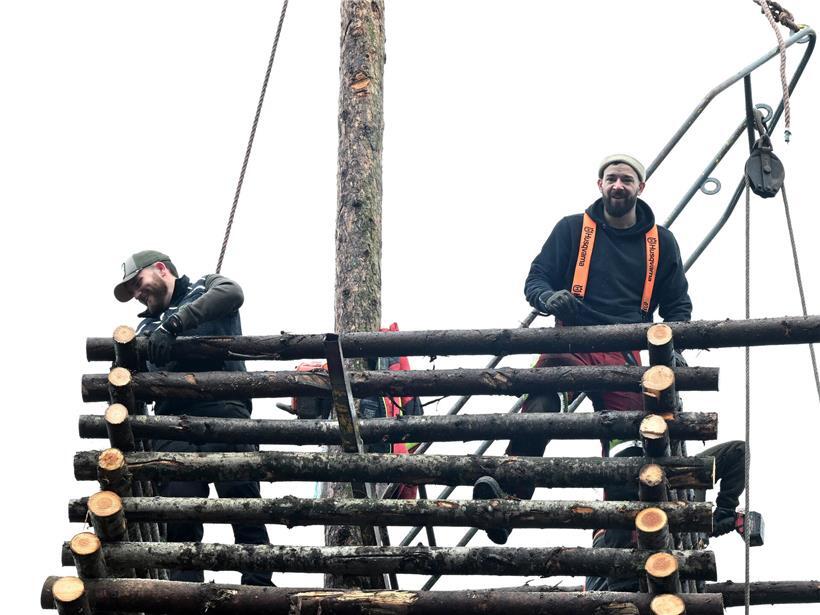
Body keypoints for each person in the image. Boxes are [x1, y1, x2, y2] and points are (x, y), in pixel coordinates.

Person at [472, 154, 693, 543]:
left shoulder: (660, 242)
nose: (618, 186)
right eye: (611, 179)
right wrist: (549, 298)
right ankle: (506, 499)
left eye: (626, 179)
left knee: (628, 439)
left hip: (626, 353)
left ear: (641, 187)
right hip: (571, 337)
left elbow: (678, 306)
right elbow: (536, 279)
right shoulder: (574, 230)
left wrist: (674, 344)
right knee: (542, 402)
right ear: (600, 185)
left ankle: (617, 534)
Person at [113, 250, 273, 586]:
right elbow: (128, 377)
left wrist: (175, 324)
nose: (137, 294)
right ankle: (184, 594)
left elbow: (233, 292)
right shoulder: (143, 327)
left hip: (225, 411)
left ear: (160, 269)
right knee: (180, 514)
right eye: (131, 293)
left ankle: (257, 586)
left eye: (137, 283)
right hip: (172, 427)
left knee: (243, 502)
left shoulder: (206, 286)